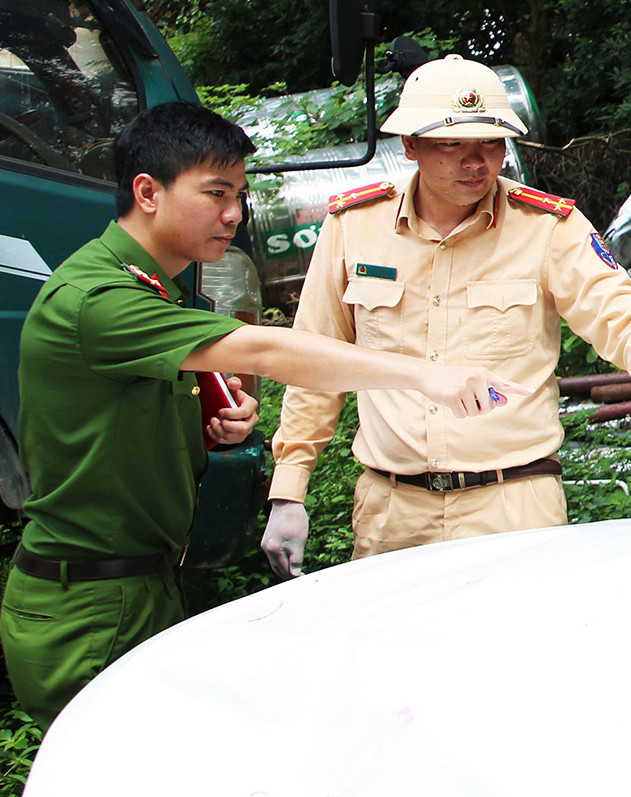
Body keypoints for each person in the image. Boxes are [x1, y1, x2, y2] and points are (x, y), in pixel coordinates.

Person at [0, 101, 528, 729]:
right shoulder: (98, 297)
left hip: (136, 584)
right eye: (216, 193)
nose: (234, 214)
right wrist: (427, 375)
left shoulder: (147, 289)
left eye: (241, 195)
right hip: (88, 602)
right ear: (147, 192)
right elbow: (267, 348)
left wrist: (212, 425)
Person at [261, 55, 631, 578]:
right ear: (410, 146)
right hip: (393, 512)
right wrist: (289, 489)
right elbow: (315, 359)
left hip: (515, 505)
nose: (475, 162)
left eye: (489, 143)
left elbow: (617, 311)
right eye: (451, 145)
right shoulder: (354, 227)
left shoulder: (548, 226)